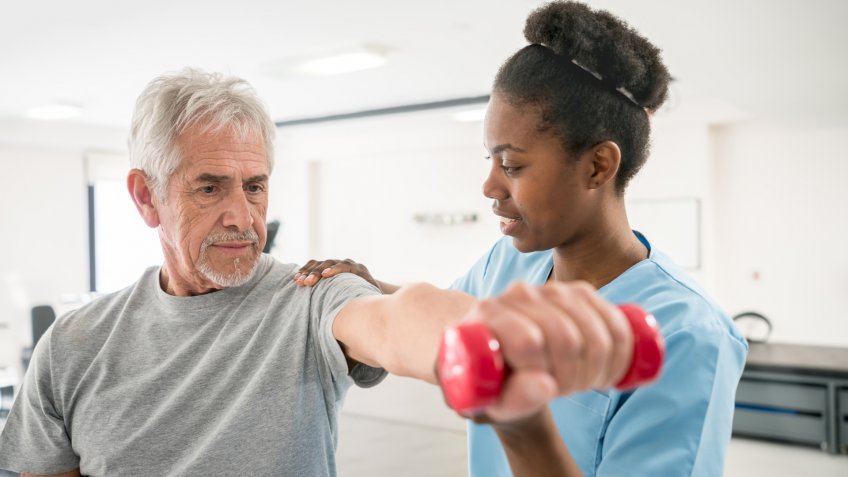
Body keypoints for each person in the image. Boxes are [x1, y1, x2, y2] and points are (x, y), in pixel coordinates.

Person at [0, 68, 636, 477]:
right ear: (145, 197)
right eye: (208, 188)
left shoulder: (309, 294)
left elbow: (399, 321)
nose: (241, 216)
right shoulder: (77, 344)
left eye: (255, 187)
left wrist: (497, 335)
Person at [295, 2, 748, 476]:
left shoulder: (687, 335)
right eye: (490, 161)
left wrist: (520, 421)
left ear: (598, 166)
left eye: (511, 165)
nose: (489, 187)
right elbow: (450, 312)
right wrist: (370, 285)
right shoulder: (507, 263)